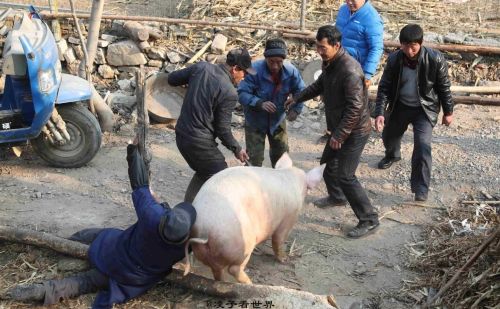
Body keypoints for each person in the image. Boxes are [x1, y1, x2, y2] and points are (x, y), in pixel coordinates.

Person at [7, 140, 197, 308]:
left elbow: (138, 183)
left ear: (167, 218)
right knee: (85, 282)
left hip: (114, 254)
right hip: (132, 281)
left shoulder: (152, 215)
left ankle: (61, 245)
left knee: (92, 235)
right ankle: (44, 291)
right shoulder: (185, 246)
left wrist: (133, 150)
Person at [286, 25, 379, 238]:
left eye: (322, 47)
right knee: (328, 164)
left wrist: (340, 135)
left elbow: (355, 108)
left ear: (336, 45)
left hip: (354, 130)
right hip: (341, 127)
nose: (319, 51)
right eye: (317, 46)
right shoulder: (331, 63)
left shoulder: (350, 70)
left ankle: (369, 219)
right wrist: (297, 97)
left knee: (346, 175)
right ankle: (337, 197)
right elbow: (319, 86)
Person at [374, 24, 453, 202]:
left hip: (424, 109)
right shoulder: (394, 60)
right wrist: (379, 113)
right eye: (405, 46)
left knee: (422, 147)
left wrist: (448, 112)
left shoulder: (435, 59)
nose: (409, 51)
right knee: (389, 135)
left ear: (421, 43)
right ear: (400, 44)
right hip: (400, 106)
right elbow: (384, 87)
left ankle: (420, 188)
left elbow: (444, 87)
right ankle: (393, 155)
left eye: (413, 46)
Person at [168, 48, 253, 202]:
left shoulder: (202, 67)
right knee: (220, 176)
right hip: (198, 142)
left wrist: (193, 82)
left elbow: (172, 79)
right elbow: (222, 129)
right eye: (244, 73)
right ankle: (197, 215)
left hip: (181, 134)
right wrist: (237, 149)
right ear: (235, 69)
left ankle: (188, 209)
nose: (244, 77)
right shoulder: (229, 92)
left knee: (205, 171)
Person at [238, 38, 305, 167]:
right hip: (255, 121)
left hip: (278, 120)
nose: (275, 66)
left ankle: (280, 185)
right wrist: (259, 103)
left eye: (279, 62)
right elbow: (242, 94)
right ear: (265, 58)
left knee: (282, 160)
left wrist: (296, 109)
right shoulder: (254, 70)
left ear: (284, 60)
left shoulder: (291, 72)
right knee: (254, 160)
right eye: (271, 62)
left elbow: (301, 91)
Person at [335, 0, 384, 87]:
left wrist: (367, 74)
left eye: (353, 0)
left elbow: (376, 48)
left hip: (356, 70)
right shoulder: (343, 10)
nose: (349, 3)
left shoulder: (372, 18)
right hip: (338, 64)